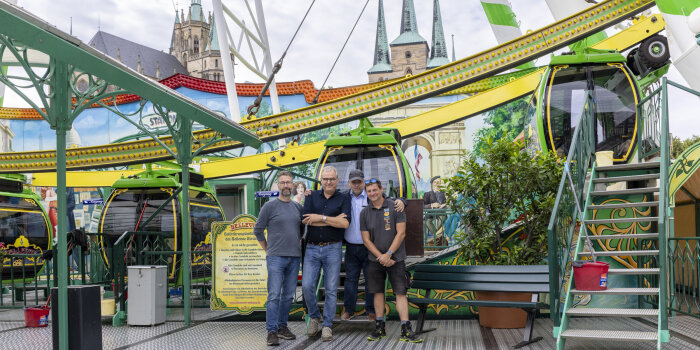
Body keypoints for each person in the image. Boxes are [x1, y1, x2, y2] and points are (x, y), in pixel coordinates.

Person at [361, 179, 422, 343]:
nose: (372, 193)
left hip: (396, 259)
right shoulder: (364, 213)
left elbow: (401, 233)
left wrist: (388, 254)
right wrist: (381, 257)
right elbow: (366, 240)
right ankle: (379, 327)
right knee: (377, 292)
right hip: (375, 260)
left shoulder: (395, 206)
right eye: (369, 191)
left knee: (401, 293)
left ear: (381, 189)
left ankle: (405, 329)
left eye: (375, 190)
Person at [341, 169, 405, 322]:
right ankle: (348, 310)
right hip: (351, 246)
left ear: (363, 182)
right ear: (349, 184)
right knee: (350, 279)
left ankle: (370, 311)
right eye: (353, 182)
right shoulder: (343, 198)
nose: (356, 185)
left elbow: (387, 199)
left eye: (359, 182)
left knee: (372, 281)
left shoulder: (371, 196)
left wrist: (403, 200)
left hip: (370, 246)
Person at [301, 166, 351, 342]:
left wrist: (320, 218)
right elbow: (306, 219)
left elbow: (345, 224)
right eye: (325, 179)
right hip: (312, 248)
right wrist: (333, 220)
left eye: (332, 179)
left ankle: (327, 325)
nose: (328, 182)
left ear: (337, 181)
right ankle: (315, 316)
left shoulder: (344, 198)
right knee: (306, 286)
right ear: (321, 181)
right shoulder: (311, 196)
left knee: (331, 290)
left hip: (333, 248)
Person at [254, 171, 304, 346]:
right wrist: (268, 249)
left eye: (288, 182)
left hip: (294, 258)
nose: (285, 186)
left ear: (293, 185)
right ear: (278, 185)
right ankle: (272, 331)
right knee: (274, 295)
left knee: (288, 295)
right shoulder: (269, 207)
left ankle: (283, 327)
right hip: (275, 258)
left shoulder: (298, 207)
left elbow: (302, 231)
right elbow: (257, 230)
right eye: (282, 182)